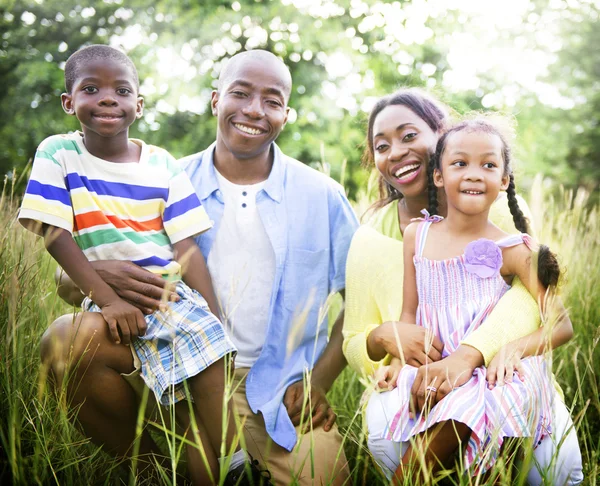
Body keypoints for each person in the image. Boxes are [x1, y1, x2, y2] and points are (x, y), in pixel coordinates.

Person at [41, 49, 357, 485]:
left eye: (271, 100)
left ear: (286, 114)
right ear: (215, 100)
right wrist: (98, 278)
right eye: (240, 93)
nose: (253, 110)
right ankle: (155, 470)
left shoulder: (322, 194)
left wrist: (319, 381)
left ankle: (220, 458)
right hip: (171, 366)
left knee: (325, 479)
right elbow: (69, 270)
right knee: (65, 340)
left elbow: (360, 297)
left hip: (278, 389)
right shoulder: (162, 177)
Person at [18, 44, 272, 485]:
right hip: (117, 304)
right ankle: (171, 469)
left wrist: (210, 312)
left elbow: (186, 246)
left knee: (206, 369)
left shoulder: (161, 164)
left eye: (121, 90)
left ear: (139, 103)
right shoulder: (59, 153)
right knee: (176, 411)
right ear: (68, 102)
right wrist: (108, 301)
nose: (108, 99)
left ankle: (237, 467)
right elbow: (55, 234)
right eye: (91, 88)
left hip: (170, 295)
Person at [342, 89, 584, 484]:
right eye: (460, 163)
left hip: (492, 371)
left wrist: (509, 349)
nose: (473, 173)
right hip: (435, 366)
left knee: (472, 407)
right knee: (423, 405)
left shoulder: (515, 249)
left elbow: (561, 324)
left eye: (488, 165)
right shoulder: (416, 237)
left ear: (504, 180)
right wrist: (400, 358)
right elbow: (409, 313)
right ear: (441, 172)